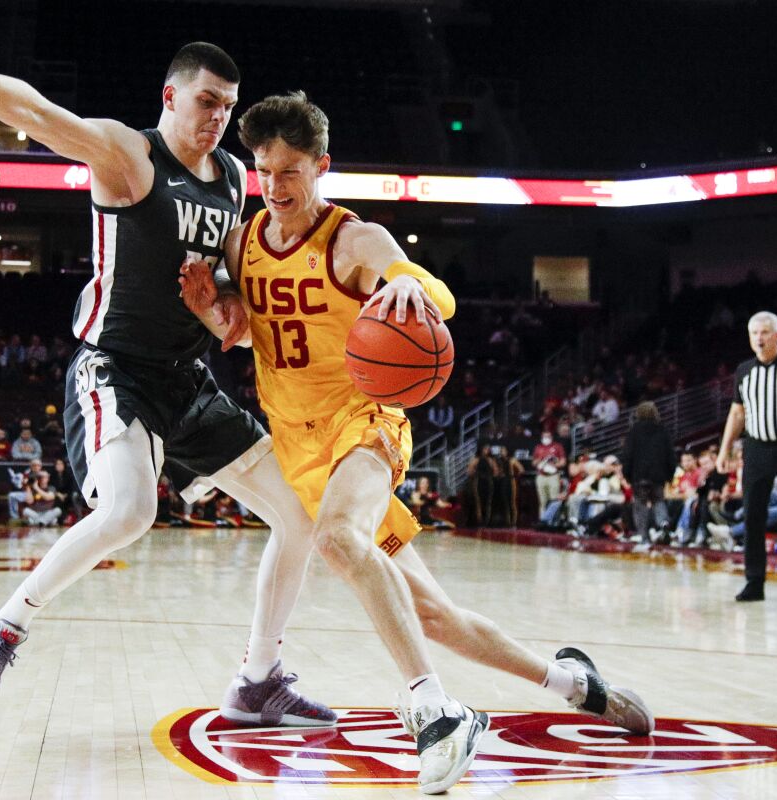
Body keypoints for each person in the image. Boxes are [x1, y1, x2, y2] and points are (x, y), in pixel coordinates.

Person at [179, 91, 652, 791]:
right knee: (432, 614)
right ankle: (575, 684)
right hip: (298, 445)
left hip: (365, 426)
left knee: (338, 541)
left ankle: (435, 712)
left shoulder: (353, 239)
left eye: (291, 172)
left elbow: (430, 288)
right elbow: (250, 329)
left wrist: (408, 287)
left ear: (321, 167)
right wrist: (212, 310)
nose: (276, 188)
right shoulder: (242, 242)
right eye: (265, 171)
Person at [0, 5, 333, 738]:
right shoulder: (128, 156)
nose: (218, 118)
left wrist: (227, 312)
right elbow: (46, 116)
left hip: (188, 378)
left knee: (301, 514)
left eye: (228, 108)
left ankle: (257, 681)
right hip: (114, 369)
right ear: (172, 96)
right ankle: (1, 632)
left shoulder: (236, 177)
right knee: (129, 513)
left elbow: (233, 316)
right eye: (207, 102)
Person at [715, 311, 777, 601]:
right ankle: (754, 582)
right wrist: (724, 449)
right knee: (754, 517)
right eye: (754, 333)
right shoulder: (744, 371)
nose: (759, 337)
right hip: (756, 449)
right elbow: (737, 413)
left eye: (765, 332)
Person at [621, 401, 677, 544]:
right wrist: (670, 475)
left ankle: (644, 537)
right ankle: (663, 523)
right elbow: (671, 455)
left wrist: (627, 474)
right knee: (659, 501)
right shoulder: (663, 430)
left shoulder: (634, 431)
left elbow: (627, 455)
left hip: (639, 476)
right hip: (658, 475)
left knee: (640, 504)